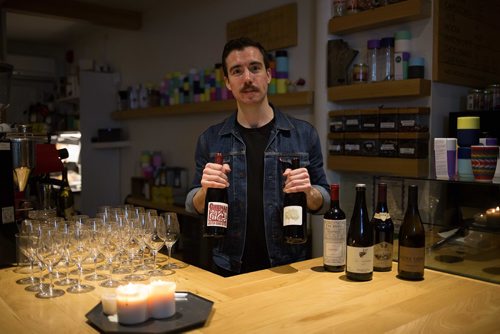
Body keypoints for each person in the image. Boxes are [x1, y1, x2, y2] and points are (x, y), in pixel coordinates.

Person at [185, 37, 330, 276]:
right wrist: (204, 190)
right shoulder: (210, 139)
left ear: (268, 75)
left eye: (255, 68)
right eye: (237, 71)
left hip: (289, 267)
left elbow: (323, 201)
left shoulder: (304, 134)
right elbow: (192, 203)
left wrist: (309, 192)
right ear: (228, 83)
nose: (248, 78)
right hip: (228, 268)